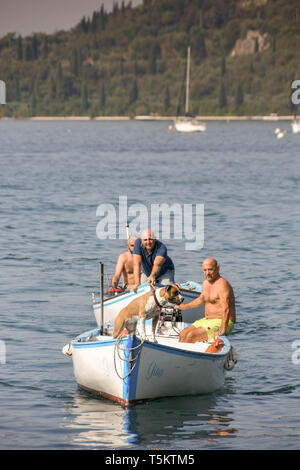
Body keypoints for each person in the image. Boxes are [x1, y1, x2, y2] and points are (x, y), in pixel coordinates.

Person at [177, 258, 236, 342]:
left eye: (210, 270)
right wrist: (183, 306)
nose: (207, 273)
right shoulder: (205, 283)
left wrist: (222, 330)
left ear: (218, 268)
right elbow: (201, 300)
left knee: (191, 336)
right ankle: (181, 354)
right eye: (205, 270)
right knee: (183, 334)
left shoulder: (222, 284)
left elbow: (226, 309)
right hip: (207, 320)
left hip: (222, 321)